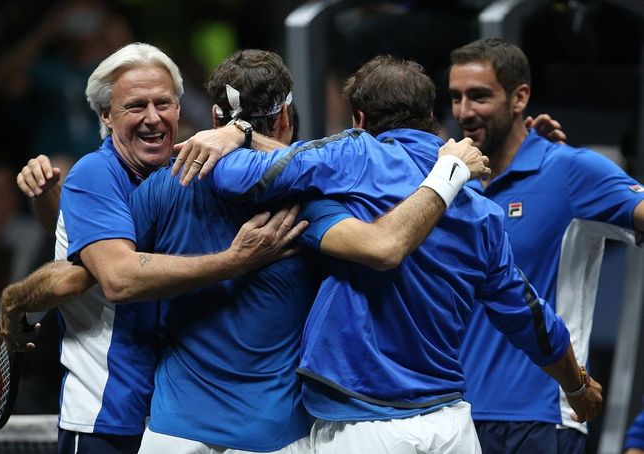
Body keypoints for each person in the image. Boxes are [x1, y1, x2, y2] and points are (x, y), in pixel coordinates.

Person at [172, 55, 603, 453]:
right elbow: (529, 315)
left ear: (359, 119)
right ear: (433, 117)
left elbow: (233, 176)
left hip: (366, 425)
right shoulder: (482, 210)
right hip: (452, 426)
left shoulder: (354, 154)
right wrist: (577, 384)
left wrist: (238, 131)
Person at [0, 42, 307, 454]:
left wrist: (241, 132)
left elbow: (71, 241)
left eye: (164, 103)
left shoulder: (187, 170)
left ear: (181, 109)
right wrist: (235, 261)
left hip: (168, 417)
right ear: (106, 115)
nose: (152, 117)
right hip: (107, 417)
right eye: (135, 106)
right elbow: (114, 276)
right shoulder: (95, 173)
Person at [448, 37, 644, 453]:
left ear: (520, 97)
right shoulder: (451, 183)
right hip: (456, 418)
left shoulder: (570, 170)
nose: (464, 112)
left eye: (479, 96)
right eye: (456, 97)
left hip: (541, 419)